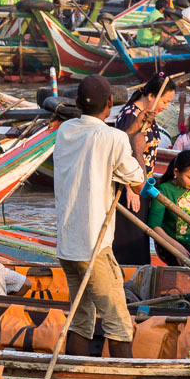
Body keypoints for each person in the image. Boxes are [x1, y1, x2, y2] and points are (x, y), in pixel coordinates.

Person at [53, 75, 143, 357]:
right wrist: (134, 144)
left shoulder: (64, 130)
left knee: (81, 322)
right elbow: (138, 181)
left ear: (78, 103)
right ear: (109, 104)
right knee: (119, 324)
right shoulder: (114, 137)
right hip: (94, 246)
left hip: (67, 246)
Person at [109, 73, 175, 266]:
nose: (166, 107)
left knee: (139, 239)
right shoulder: (131, 115)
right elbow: (122, 152)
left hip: (142, 185)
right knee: (129, 242)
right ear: (151, 96)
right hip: (130, 189)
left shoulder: (147, 116)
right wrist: (131, 189)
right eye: (165, 101)